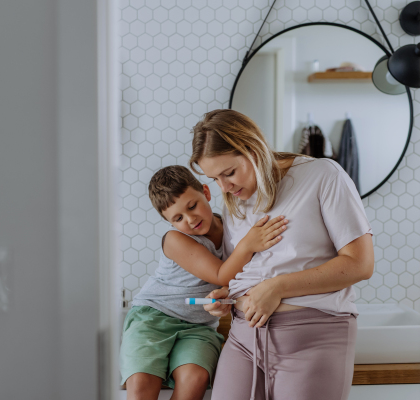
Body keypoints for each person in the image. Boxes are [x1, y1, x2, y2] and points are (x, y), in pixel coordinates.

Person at [189, 109, 375, 400]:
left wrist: (277, 288)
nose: (224, 187)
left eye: (229, 173)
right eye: (215, 178)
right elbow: (247, 270)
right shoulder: (233, 200)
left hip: (312, 338)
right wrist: (225, 295)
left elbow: (360, 264)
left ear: (253, 150)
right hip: (243, 339)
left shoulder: (322, 175)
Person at [120, 165, 288, 400]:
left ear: (207, 193)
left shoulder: (232, 228)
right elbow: (221, 274)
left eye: (193, 206)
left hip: (199, 327)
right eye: (178, 218)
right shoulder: (175, 239)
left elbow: (234, 279)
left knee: (195, 379)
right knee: (141, 384)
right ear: (168, 222)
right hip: (153, 318)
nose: (190, 219)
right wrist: (249, 244)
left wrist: (226, 295)